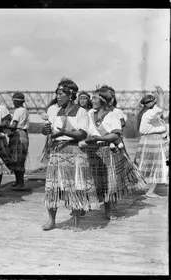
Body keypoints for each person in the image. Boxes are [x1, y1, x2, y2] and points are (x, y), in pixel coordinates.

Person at [41, 78, 99, 230]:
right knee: (53, 187)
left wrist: (63, 132)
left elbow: (82, 133)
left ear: (71, 95)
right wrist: (45, 130)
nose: (58, 96)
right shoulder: (53, 110)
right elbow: (46, 130)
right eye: (57, 93)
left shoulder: (81, 112)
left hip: (75, 151)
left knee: (76, 185)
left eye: (61, 94)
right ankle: (52, 221)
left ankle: (76, 222)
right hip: (57, 150)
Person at [79, 87, 146, 219]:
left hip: (106, 151)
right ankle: (83, 206)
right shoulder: (89, 113)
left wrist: (99, 138)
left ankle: (108, 211)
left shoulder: (113, 115)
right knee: (89, 180)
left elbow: (115, 135)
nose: (92, 100)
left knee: (107, 182)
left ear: (103, 101)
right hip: (91, 151)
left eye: (95, 98)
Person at [134, 88, 169, 198]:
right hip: (154, 141)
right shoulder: (149, 113)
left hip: (149, 140)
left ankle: (147, 187)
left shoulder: (146, 113)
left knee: (150, 164)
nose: (155, 103)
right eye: (154, 101)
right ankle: (150, 191)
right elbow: (161, 108)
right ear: (150, 103)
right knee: (158, 165)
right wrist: (161, 95)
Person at [8, 92, 30, 190]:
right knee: (20, 160)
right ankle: (18, 182)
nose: (13, 103)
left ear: (16, 101)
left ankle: (20, 184)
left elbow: (14, 125)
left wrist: (6, 128)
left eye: (13, 101)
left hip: (18, 135)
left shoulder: (18, 111)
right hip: (24, 134)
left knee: (16, 159)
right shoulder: (25, 110)